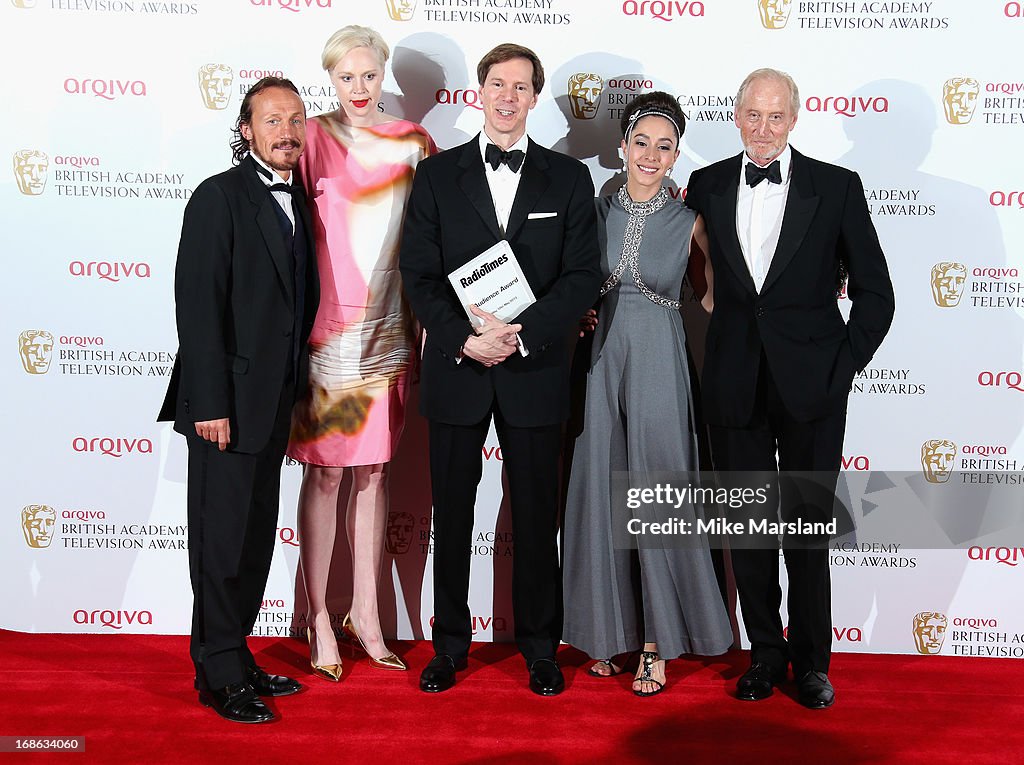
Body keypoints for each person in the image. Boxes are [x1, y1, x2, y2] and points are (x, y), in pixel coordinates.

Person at [685, 68, 894, 709]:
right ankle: (763, 657)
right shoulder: (708, 183)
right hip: (734, 384)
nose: (764, 130)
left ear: (796, 119)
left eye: (777, 117)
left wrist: (842, 365)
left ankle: (811, 663)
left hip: (813, 388)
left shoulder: (836, 187)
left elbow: (876, 292)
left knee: (805, 531)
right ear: (737, 115)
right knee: (747, 531)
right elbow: (689, 277)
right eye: (753, 115)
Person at [399, 43, 602, 696]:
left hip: (535, 368)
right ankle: (449, 646)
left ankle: (541, 646)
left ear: (536, 97)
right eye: (497, 83)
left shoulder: (568, 180)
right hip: (459, 366)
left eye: (521, 86)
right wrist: (464, 338)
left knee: (537, 516)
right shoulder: (436, 176)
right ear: (479, 93)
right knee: (452, 512)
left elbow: (580, 279)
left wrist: (518, 338)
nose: (508, 95)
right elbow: (419, 274)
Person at [158, 77, 320, 723]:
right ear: (246, 130)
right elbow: (197, 310)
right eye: (272, 119)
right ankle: (217, 672)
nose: (287, 130)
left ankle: (238, 654)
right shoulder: (217, 197)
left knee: (253, 542)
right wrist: (210, 405)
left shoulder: (299, 199)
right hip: (224, 406)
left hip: (274, 403)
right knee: (221, 544)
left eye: (296, 118)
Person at [562, 91, 733, 697]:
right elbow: (571, 281)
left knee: (657, 495)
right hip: (603, 358)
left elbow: (718, 296)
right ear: (622, 147)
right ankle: (606, 635)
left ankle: (658, 644)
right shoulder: (594, 209)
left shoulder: (690, 220)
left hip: (660, 359)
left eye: (665, 146)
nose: (651, 155)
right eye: (642, 142)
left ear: (677, 153)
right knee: (601, 491)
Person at [286, 25, 436, 680]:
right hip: (326, 334)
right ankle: (320, 613)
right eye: (345, 77)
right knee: (324, 473)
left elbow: (432, 241)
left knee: (375, 473)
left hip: (390, 330)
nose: (357, 88)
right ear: (330, 79)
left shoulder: (415, 143)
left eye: (368, 75)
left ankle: (367, 615)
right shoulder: (310, 138)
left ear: (384, 77)